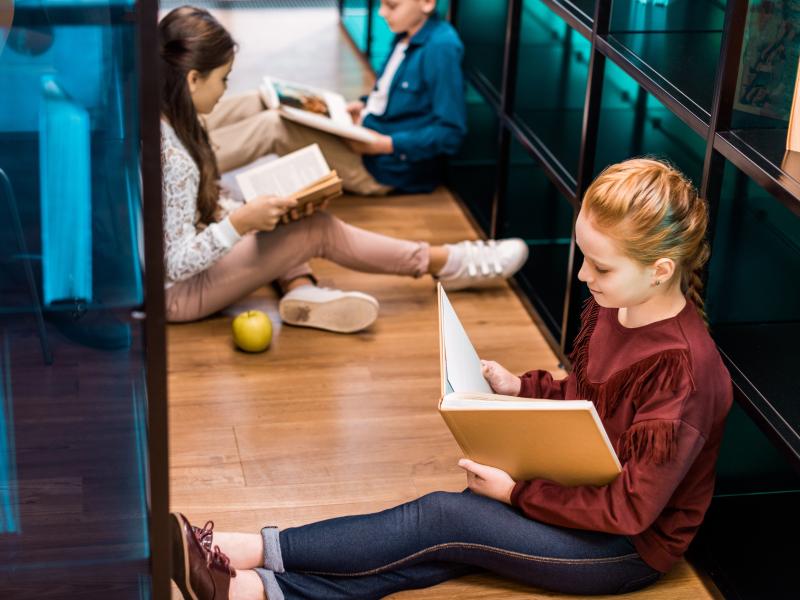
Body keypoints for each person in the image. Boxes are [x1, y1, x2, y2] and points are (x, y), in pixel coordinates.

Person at [168, 158, 734, 599]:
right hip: (582, 493)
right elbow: (585, 395)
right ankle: (253, 589)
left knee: (448, 518)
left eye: (600, 266)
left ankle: (246, 550)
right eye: (584, 256)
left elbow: (632, 511)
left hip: (626, 548)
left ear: (661, 270)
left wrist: (517, 493)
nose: (584, 274)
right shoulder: (620, 301)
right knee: (444, 538)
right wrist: (522, 387)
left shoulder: (684, 375)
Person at [160, 6, 526, 332]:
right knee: (315, 228)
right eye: (223, 79)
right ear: (192, 79)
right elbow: (176, 264)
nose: (225, 89)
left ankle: (301, 288)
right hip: (180, 291)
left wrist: (242, 216)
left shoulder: (161, 119)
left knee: (274, 211)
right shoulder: (177, 159)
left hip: (177, 276)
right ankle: (449, 262)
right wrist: (240, 222)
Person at [207, 0, 466, 196]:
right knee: (260, 98)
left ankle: (191, 168)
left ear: (427, 3)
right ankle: (186, 135)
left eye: (392, 5)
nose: (381, 13)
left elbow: (451, 133)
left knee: (275, 127)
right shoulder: (405, 34)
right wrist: (363, 106)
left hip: (381, 167)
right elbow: (389, 95)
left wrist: (385, 144)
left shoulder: (441, 48)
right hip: (361, 135)